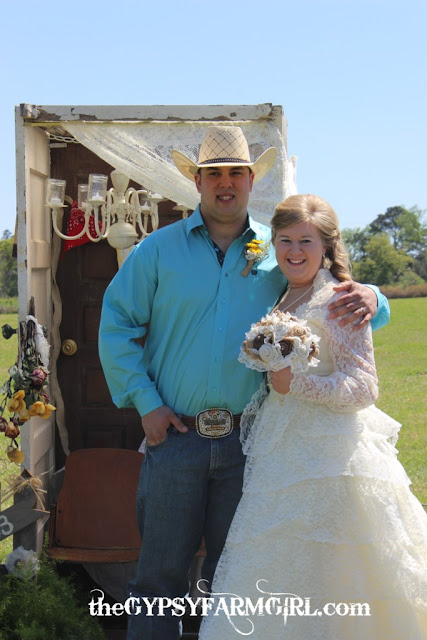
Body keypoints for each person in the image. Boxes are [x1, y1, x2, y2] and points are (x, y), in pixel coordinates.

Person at [98, 127, 390, 640]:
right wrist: (146, 404)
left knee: (237, 580)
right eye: (214, 174)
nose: (225, 183)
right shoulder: (158, 251)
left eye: (236, 172)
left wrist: (373, 296)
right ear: (198, 182)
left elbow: (329, 294)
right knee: (159, 579)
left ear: (252, 179)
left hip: (251, 445)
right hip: (176, 437)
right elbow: (116, 325)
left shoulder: (276, 249)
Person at [198, 194, 427, 640]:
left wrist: (294, 383)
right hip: (282, 455)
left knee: (335, 569)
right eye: (285, 240)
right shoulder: (286, 291)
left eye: (306, 240)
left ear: (327, 245)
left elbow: (364, 387)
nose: (295, 251)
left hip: (332, 462)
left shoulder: (338, 299)